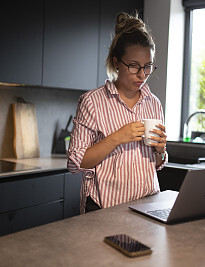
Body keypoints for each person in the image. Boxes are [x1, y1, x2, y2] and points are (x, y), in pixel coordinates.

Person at [67, 12, 168, 213]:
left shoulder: (154, 103)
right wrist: (117, 138)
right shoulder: (92, 102)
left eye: (147, 67)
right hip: (105, 208)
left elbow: (157, 164)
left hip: (147, 206)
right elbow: (75, 162)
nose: (142, 74)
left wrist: (160, 150)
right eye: (133, 66)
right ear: (116, 62)